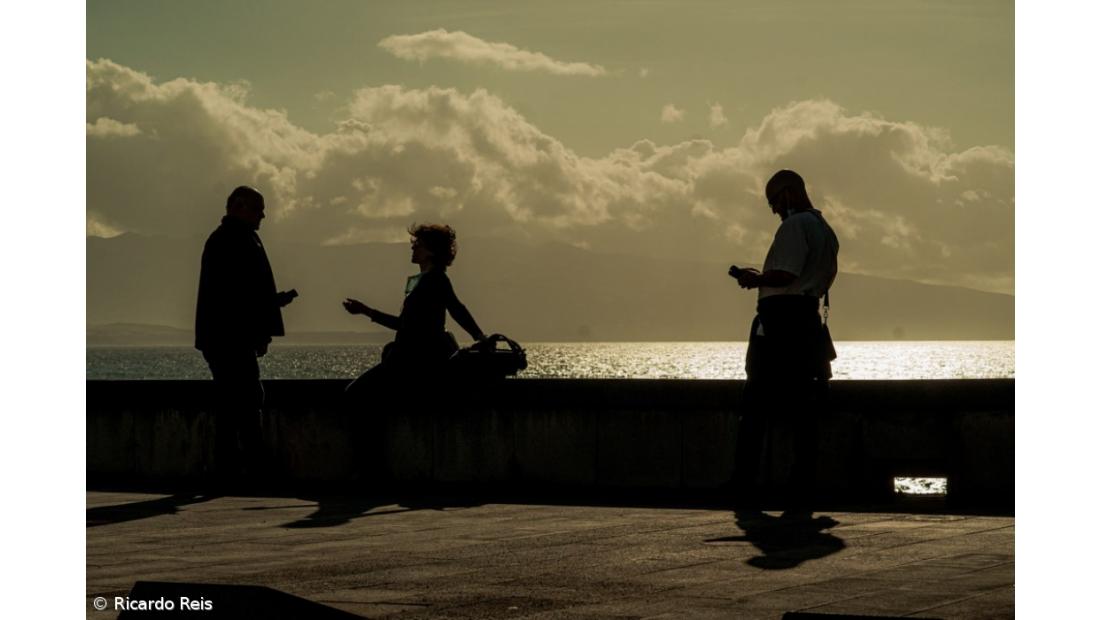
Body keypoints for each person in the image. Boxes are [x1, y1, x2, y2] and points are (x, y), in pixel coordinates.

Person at [729, 169, 839, 517]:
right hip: (807, 323)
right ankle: (801, 488)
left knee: (755, 406)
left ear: (789, 193)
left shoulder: (794, 227)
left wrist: (755, 278)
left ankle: (744, 487)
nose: (775, 210)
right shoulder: (826, 230)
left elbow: (787, 274)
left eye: (775, 201)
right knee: (803, 412)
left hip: (781, 324)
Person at [195, 185, 297, 480]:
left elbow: (240, 293)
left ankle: (235, 467)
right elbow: (238, 296)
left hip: (224, 337)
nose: (263, 215)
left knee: (236, 401)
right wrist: (268, 313)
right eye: (257, 209)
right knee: (244, 399)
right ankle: (249, 466)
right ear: (239, 207)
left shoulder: (231, 239)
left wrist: (268, 310)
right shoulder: (233, 240)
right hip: (229, 338)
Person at [342, 223, 486, 399]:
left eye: (418, 244)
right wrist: (479, 336)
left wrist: (366, 311)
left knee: (354, 394)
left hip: (412, 360)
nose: (413, 247)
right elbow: (456, 309)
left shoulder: (433, 280)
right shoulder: (428, 280)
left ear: (431, 252)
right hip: (413, 358)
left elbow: (407, 324)